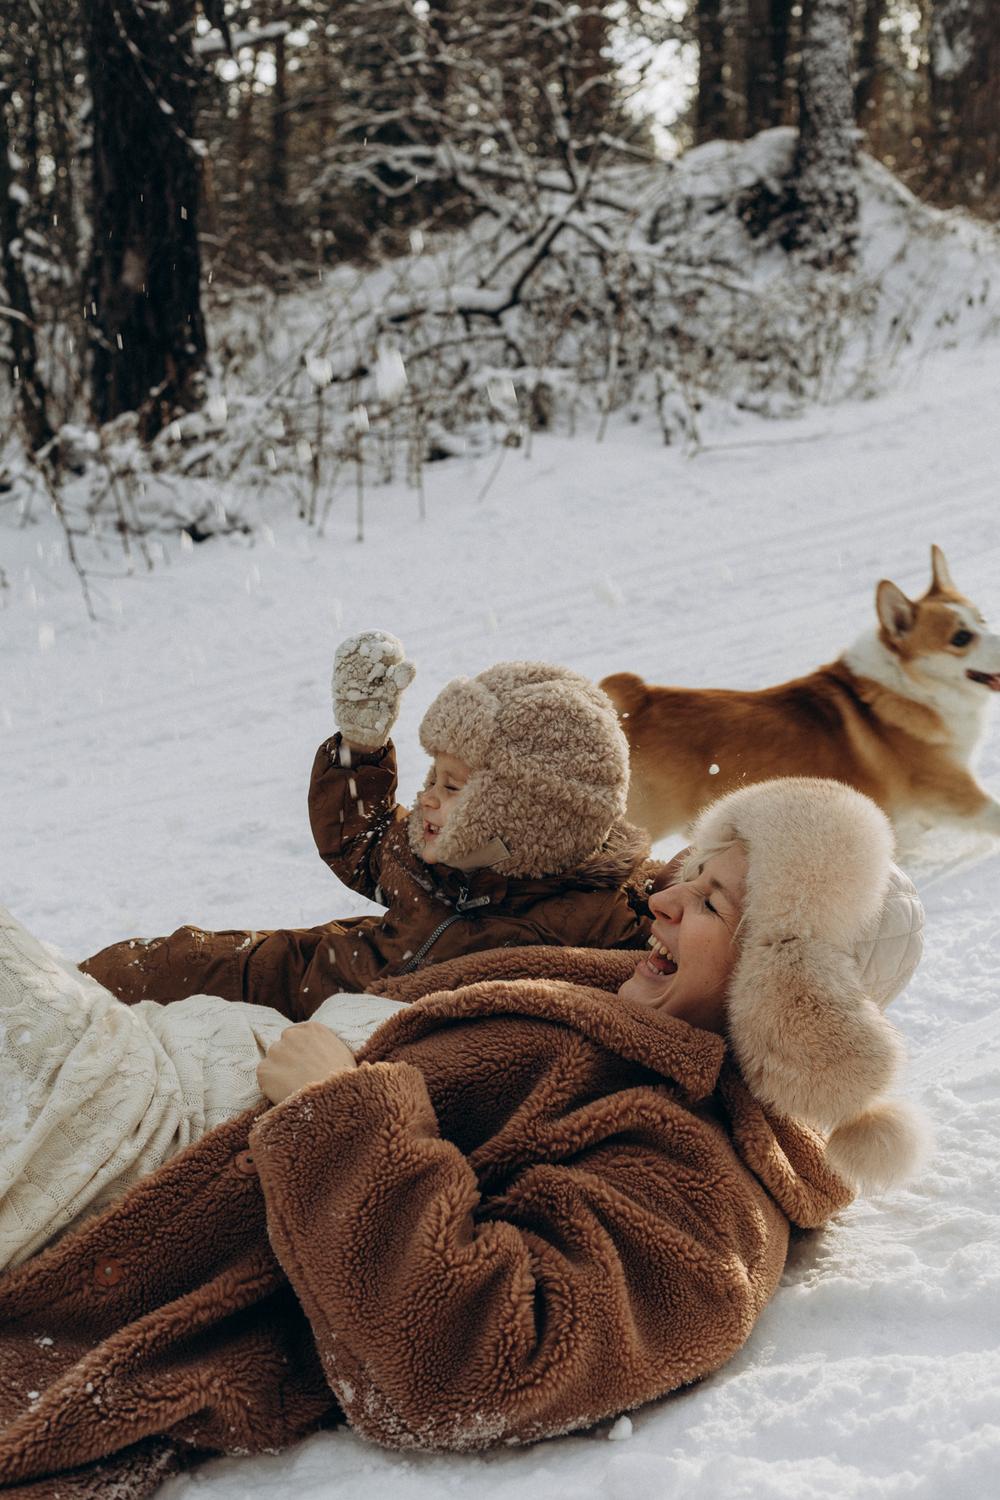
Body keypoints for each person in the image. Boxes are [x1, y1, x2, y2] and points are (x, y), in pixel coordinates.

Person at [0, 777, 927, 1497]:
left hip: (143, 1173)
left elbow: (486, 1362)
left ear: (784, 998)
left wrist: (338, 1117)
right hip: (153, 1080)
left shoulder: (701, 1186)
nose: (665, 903)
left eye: (713, 903)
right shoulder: (630, 995)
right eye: (687, 875)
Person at [81, 635, 655, 1016]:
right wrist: (360, 748)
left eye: (452, 787)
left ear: (526, 818)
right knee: (177, 965)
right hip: (324, 978)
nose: (427, 797)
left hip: (375, 1043)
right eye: (432, 776)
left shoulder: (598, 926)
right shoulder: (444, 860)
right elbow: (364, 841)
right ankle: (59, 999)